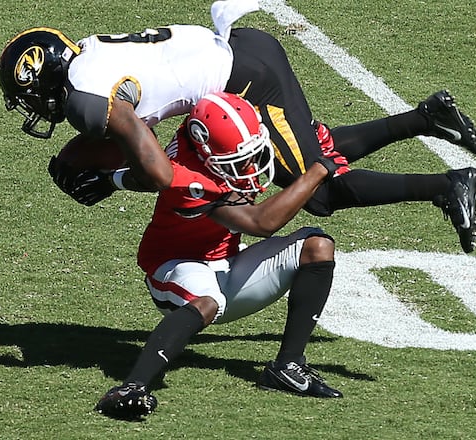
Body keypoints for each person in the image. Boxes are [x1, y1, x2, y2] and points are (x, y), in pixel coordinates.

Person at [0, 0, 476, 253]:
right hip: (241, 54)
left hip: (246, 83)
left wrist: (113, 179)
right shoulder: (88, 60)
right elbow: (137, 133)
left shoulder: (84, 101)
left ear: (45, 80)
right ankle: (427, 118)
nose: (32, 108)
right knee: (315, 150)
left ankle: (445, 185)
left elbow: (161, 174)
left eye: (29, 97)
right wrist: (105, 167)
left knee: (317, 191)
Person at [94, 92, 347, 421]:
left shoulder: (218, 138)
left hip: (228, 262)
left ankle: (288, 366)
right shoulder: (184, 176)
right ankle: (131, 387)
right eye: (237, 158)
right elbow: (261, 223)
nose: (249, 166)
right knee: (207, 301)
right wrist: (318, 170)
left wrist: (414, 123)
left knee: (317, 246)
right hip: (175, 268)